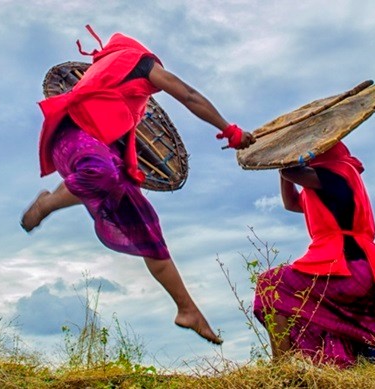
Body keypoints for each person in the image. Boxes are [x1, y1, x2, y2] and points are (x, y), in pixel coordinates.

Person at [21, 25, 255, 345]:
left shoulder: (110, 75)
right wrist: (230, 131)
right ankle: (47, 202)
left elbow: (115, 125)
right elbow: (187, 94)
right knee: (101, 173)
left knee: (147, 230)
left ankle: (187, 309)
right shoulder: (140, 63)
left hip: (100, 155)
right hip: (74, 139)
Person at [253, 141, 375, 366]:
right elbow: (290, 202)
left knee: (270, 284)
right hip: (367, 270)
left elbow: (292, 172)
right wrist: (282, 163)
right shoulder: (328, 184)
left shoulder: (339, 172)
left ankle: (282, 366)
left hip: (347, 267)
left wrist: (284, 154)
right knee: (372, 351)